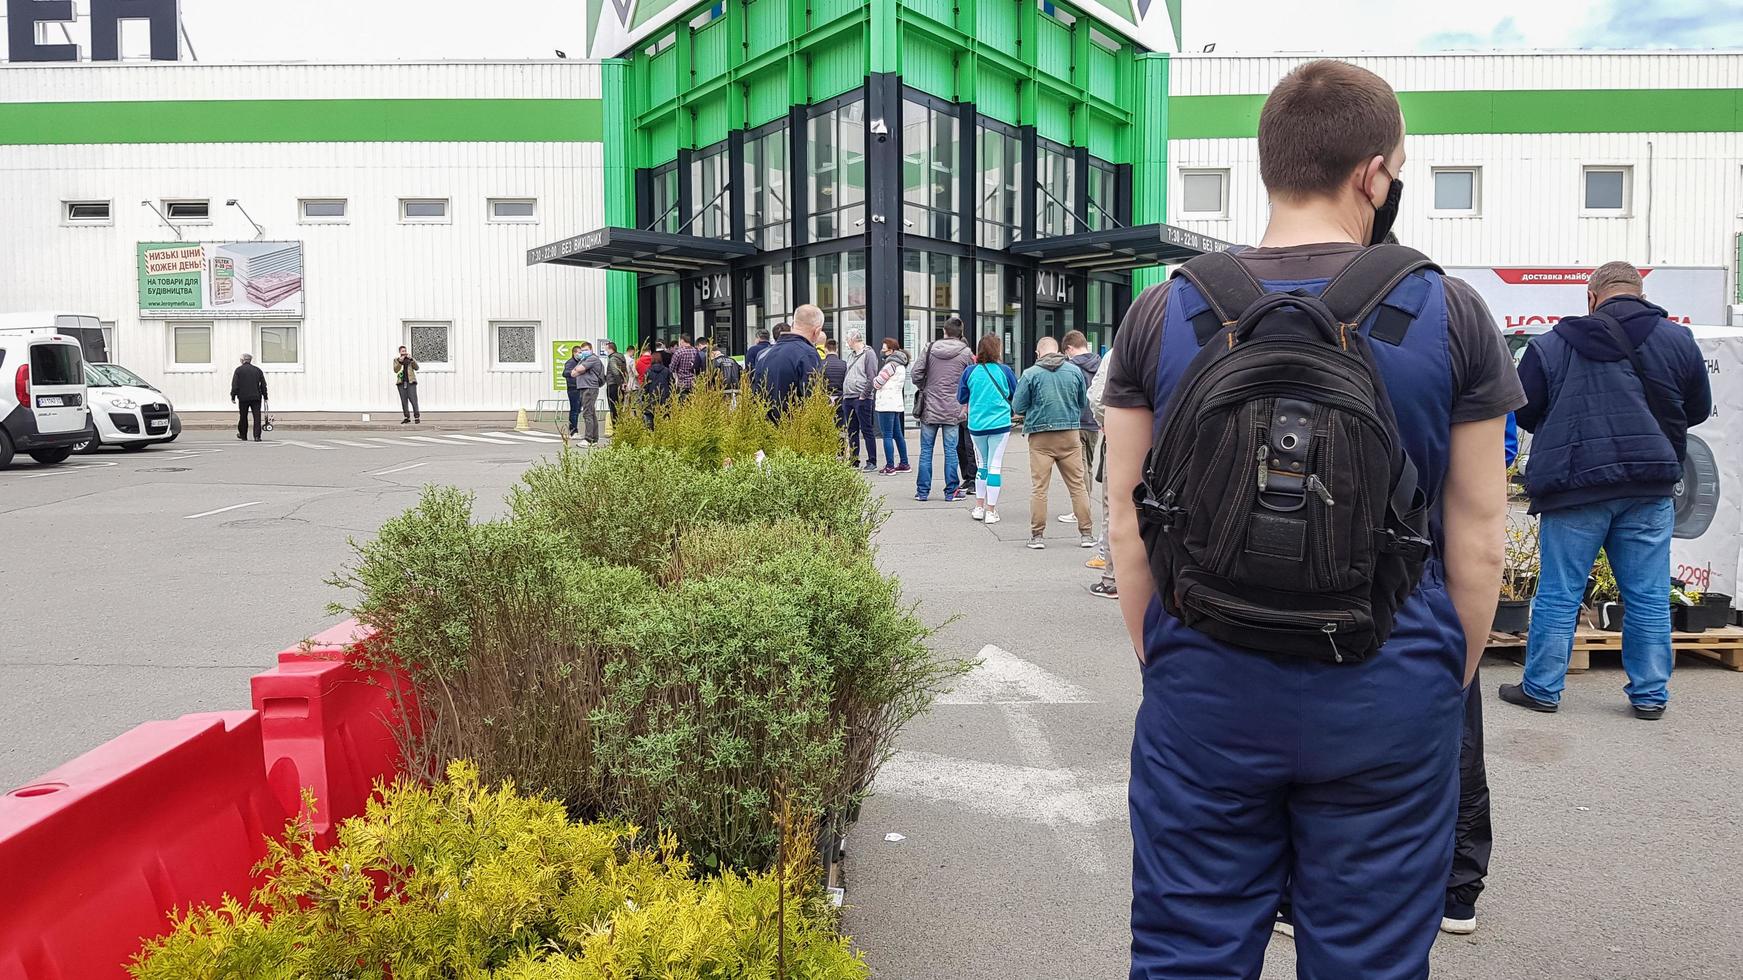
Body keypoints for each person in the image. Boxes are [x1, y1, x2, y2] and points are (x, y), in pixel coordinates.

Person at [1102, 60, 1521, 979]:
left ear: (1267, 165)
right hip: (1387, 682)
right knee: (1368, 960)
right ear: (1375, 173)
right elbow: (1480, 538)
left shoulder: (1160, 311)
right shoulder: (1450, 312)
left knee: (1185, 953)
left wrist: (1164, 655)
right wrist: (1437, 679)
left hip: (1203, 680)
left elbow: (1128, 526)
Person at [1506, 260, 1712, 720]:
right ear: (1640, 295)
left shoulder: (1552, 343)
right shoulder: (1678, 340)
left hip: (1574, 485)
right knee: (1648, 594)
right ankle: (1650, 695)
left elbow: (1523, 409)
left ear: (1591, 297)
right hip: (1649, 484)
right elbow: (1697, 409)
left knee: (1561, 591)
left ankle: (1541, 688)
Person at [1012, 336, 1091, 550]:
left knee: (1039, 488)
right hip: (1070, 434)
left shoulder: (1030, 374)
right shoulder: (1074, 371)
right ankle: (1086, 534)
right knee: (1077, 486)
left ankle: (1037, 536)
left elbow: (1018, 405)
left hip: (1040, 436)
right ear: (1060, 351)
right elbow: (1082, 402)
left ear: (1038, 353)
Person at [910, 317, 976, 503]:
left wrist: (927, 386)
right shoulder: (966, 353)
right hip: (954, 409)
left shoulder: (929, 349)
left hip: (930, 408)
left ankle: (922, 492)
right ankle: (951, 492)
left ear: (944, 332)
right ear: (960, 333)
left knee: (926, 451)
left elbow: (916, 374)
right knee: (951, 451)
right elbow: (972, 379)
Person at [957, 332, 1018, 525]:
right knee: (995, 466)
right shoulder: (1005, 371)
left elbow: (961, 398)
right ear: (997, 350)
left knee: (981, 466)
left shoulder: (970, 372)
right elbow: (1016, 393)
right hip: (1000, 423)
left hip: (977, 425)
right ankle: (991, 511)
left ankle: (979, 507)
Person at [1084, 345, 1118, 599]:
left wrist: (1106, 422)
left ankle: (1112, 579)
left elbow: (1097, 398)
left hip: (1123, 439)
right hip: (1173, 439)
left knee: (1115, 509)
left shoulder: (1120, 352)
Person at [1059, 331, 1102, 527]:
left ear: (1069, 349)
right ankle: (1085, 506)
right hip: (1094, 422)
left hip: (1076, 422)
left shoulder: (1069, 367)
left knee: (1079, 468)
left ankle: (1080, 510)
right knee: (1089, 466)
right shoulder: (1101, 363)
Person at [753, 305, 825, 418]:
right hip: (796, 428)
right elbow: (813, 398)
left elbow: (756, 394)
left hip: (766, 428)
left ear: (792, 325)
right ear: (817, 331)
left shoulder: (765, 355)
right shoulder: (808, 354)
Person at [842, 330, 881, 471]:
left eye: (847, 339)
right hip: (848, 397)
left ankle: (872, 461)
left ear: (853, 339)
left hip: (861, 398)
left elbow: (872, 377)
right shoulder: (851, 356)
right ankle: (854, 460)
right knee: (851, 430)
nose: (846, 341)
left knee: (866, 430)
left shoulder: (868, 354)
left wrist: (864, 395)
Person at [873, 337, 911, 474]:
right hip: (896, 404)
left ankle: (890, 466)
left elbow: (877, 383)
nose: (882, 351)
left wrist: (874, 380)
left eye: (884, 349)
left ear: (891, 351)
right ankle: (904, 463)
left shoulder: (890, 365)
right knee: (898, 434)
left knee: (887, 435)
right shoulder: (901, 365)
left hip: (885, 404)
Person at [564, 341, 605, 445]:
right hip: (584, 387)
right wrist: (578, 370)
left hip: (589, 387)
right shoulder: (584, 359)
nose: (583, 352)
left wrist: (579, 370)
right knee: (591, 413)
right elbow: (572, 373)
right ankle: (594, 438)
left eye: (586, 350)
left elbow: (579, 369)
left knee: (587, 413)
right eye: (582, 351)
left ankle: (588, 439)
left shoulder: (592, 358)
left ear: (591, 350)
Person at [230, 352, 268, 442]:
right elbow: (263, 384)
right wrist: (265, 396)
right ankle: (257, 436)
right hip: (256, 397)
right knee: (257, 417)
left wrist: (233, 396)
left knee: (243, 416)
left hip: (243, 397)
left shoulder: (238, 370)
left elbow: (235, 384)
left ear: (242, 360)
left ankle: (243, 435)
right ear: (250, 360)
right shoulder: (257, 370)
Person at [641, 348, 674, 429]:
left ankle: (650, 435)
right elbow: (672, 384)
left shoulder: (648, 371)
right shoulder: (667, 371)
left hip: (651, 399)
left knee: (650, 417)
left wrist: (643, 398)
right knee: (664, 418)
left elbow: (645, 386)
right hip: (664, 398)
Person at [393, 346, 420, 424]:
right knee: (404, 400)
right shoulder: (396, 360)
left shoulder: (410, 359)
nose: (404, 352)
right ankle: (406, 417)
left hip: (411, 382)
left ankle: (417, 417)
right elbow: (395, 370)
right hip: (401, 382)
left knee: (413, 400)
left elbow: (417, 368)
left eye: (405, 351)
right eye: (402, 351)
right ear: (400, 352)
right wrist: (400, 362)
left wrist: (412, 360)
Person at [604, 341, 628, 425]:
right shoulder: (621, 358)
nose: (605, 351)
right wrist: (624, 382)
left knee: (613, 408)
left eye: (606, 349)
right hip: (621, 385)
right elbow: (624, 372)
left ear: (611, 349)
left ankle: (616, 427)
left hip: (613, 385)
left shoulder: (612, 359)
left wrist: (620, 384)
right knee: (620, 407)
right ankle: (621, 426)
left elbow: (615, 372)